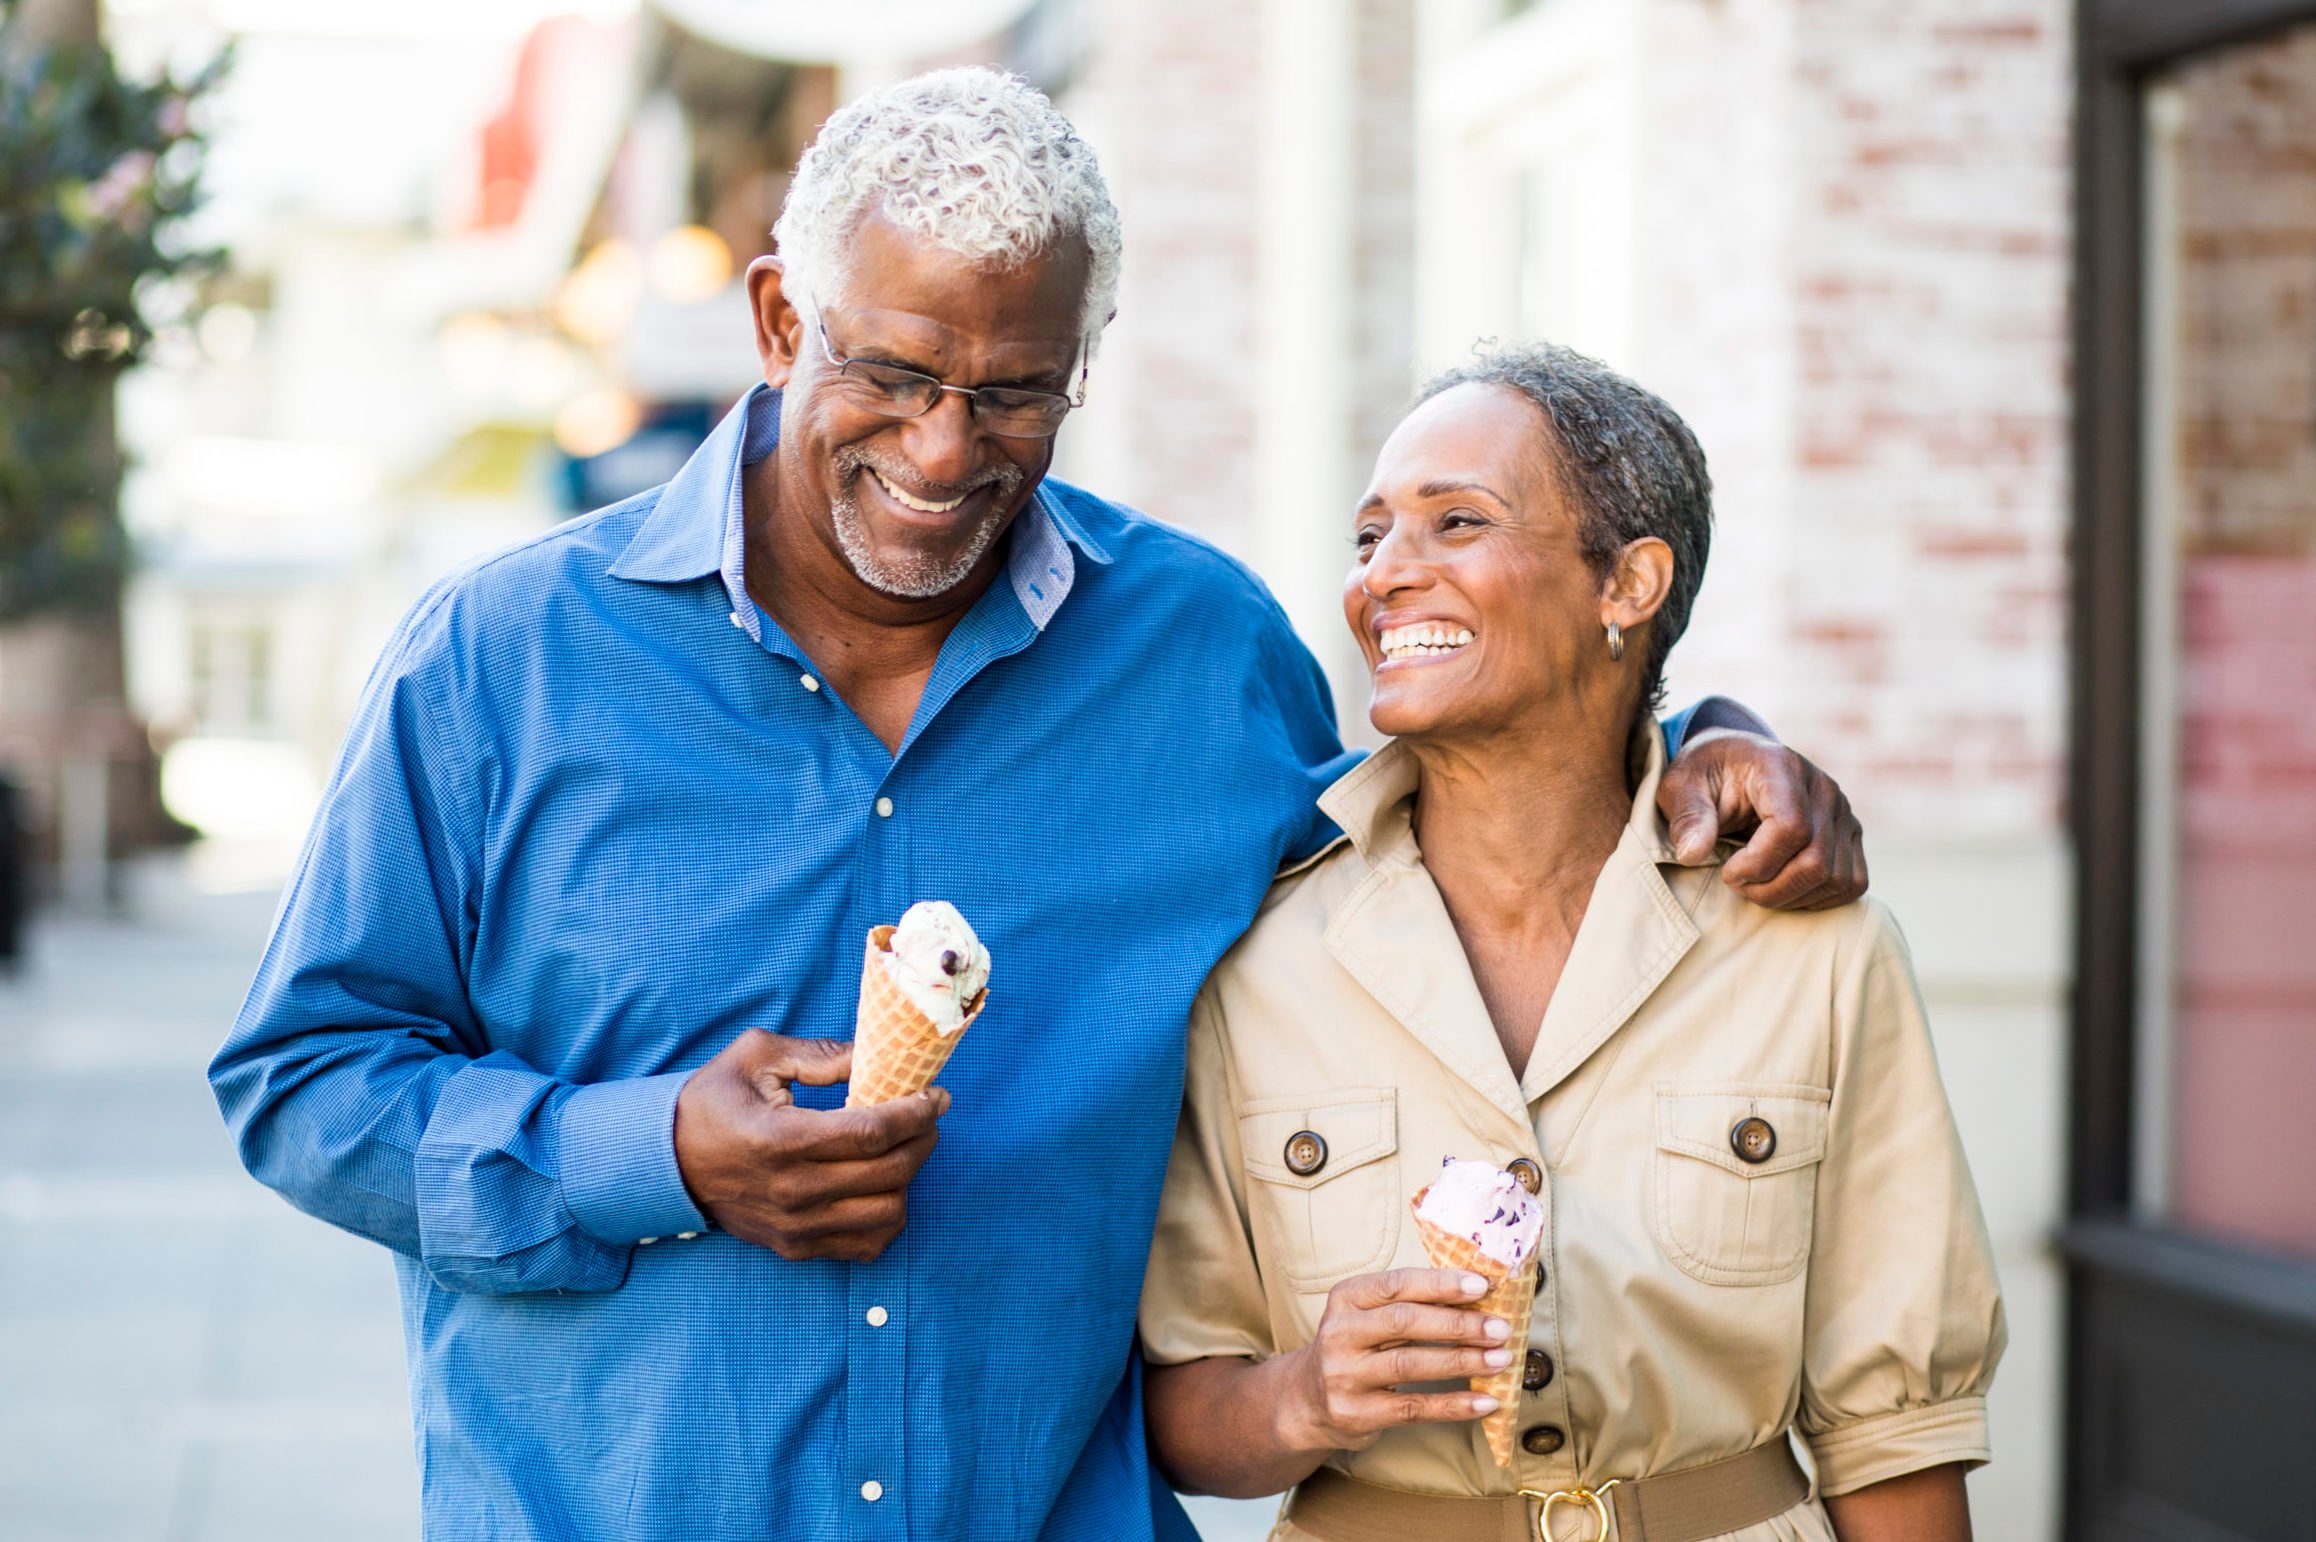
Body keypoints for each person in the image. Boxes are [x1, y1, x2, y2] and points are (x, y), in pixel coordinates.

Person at [210, 71, 1867, 1541]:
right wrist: (653, 1151)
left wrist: (1696, 738)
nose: (946, 450)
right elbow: (301, 1080)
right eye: (896, 372)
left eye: (1014, 392)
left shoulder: (1200, 653)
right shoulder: (504, 660)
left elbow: (1457, 847)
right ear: (780, 321)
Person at [1139, 343, 2004, 1541]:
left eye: (1457, 522)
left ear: (1629, 583)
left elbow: (1895, 1437)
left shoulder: (1814, 951)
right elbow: (1182, 1406)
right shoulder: (1258, 960)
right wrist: (1307, 1393)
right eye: (1372, 535)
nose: (1388, 573)